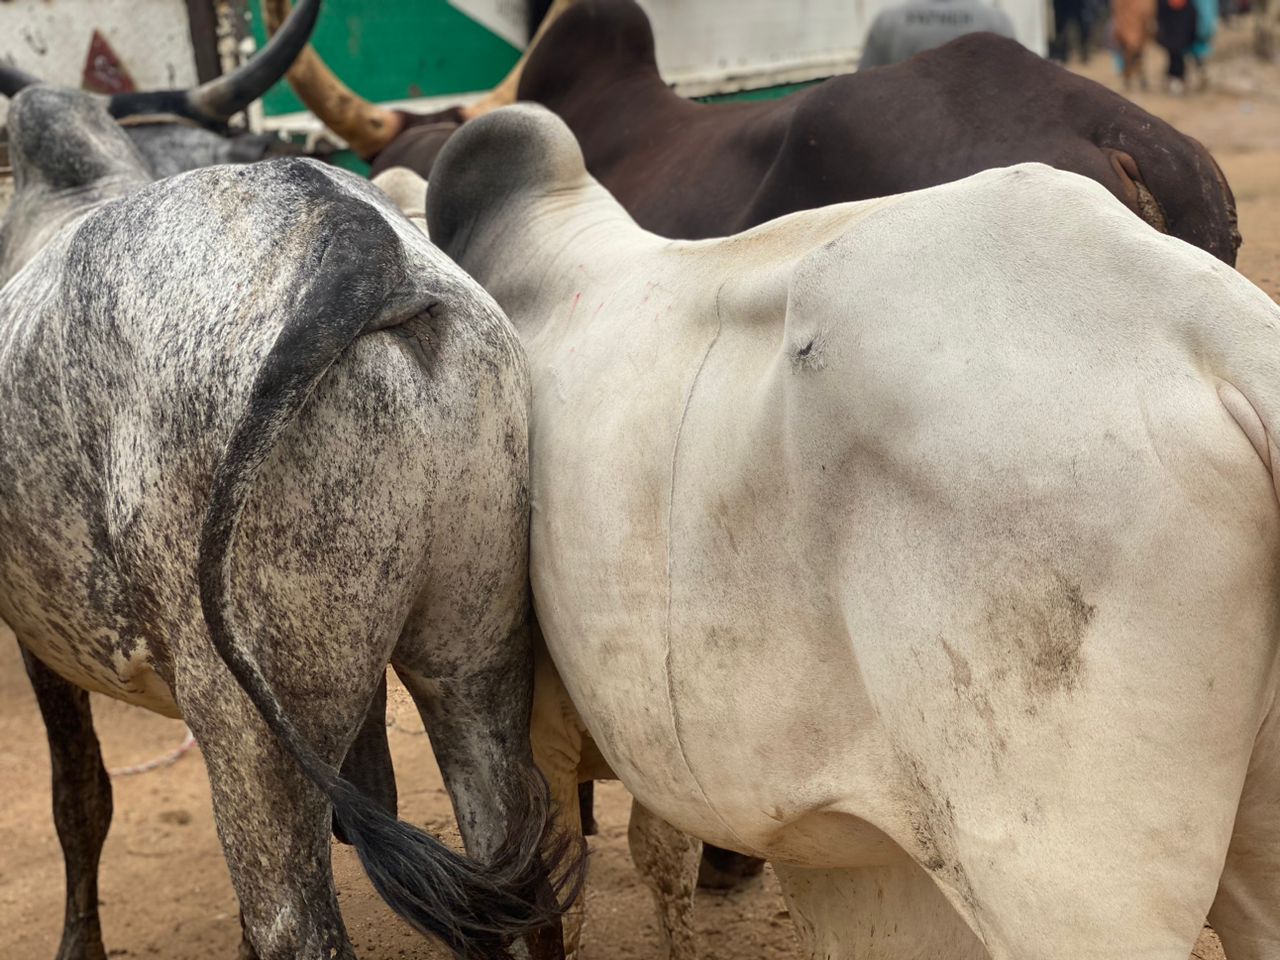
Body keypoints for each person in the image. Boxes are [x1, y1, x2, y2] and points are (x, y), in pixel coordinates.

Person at [859, 0, 1018, 68]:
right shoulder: (996, 21)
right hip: (975, 125)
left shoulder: (888, 21)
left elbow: (863, 85)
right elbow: (1016, 85)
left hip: (902, 123)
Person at [1110, 0, 1156, 88]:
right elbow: (1117, 10)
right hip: (1127, 24)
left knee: (1139, 54)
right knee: (1129, 53)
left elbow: (1149, 10)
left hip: (1141, 26)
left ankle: (1139, 76)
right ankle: (1130, 77)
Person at [1156, 0, 1199, 91]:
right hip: (1171, 26)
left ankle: (1178, 78)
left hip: (1181, 27)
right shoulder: (1163, 6)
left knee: (1178, 55)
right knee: (1174, 55)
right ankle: (1174, 78)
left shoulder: (1190, 8)